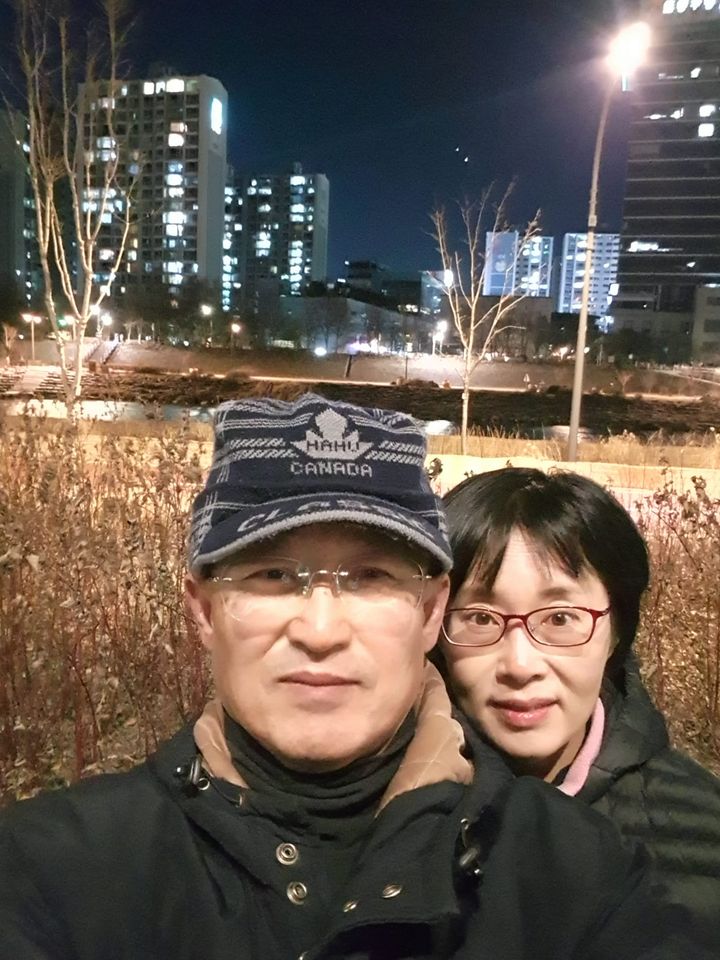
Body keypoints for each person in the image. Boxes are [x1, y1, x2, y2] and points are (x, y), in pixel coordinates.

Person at [0, 396, 708, 959]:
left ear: (431, 612)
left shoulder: (578, 874)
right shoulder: (51, 873)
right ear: (204, 610)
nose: (320, 629)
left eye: (370, 577)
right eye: (272, 575)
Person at [440, 466, 720, 947]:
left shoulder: (698, 827)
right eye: (480, 618)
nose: (520, 664)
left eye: (560, 618)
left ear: (617, 632)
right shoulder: (392, 808)